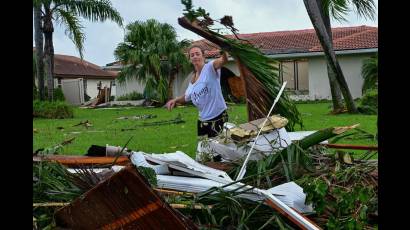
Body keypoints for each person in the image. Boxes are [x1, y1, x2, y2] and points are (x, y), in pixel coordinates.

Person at [166, 45, 229, 138]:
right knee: (203, 150)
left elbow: (223, 60)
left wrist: (224, 50)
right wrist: (175, 100)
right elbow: (187, 97)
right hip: (202, 120)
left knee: (218, 149)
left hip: (218, 117)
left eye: (197, 54)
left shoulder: (210, 67)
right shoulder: (193, 79)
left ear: (203, 56)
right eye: (192, 55)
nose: (195, 56)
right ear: (190, 59)